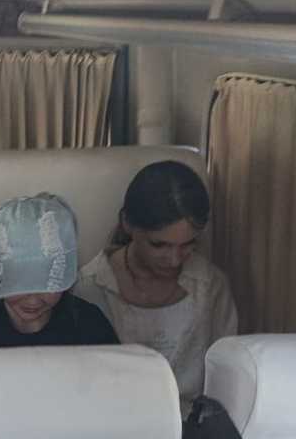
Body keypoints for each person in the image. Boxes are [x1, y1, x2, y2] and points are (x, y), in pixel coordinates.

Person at [74, 161, 237, 406]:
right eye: (159, 245)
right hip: (111, 421)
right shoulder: (88, 290)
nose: (174, 260)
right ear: (127, 224)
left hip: (193, 423)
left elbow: (227, 377)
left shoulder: (210, 287)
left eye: (188, 244)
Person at [0, 195, 118, 349]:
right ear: (0, 271)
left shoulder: (90, 326)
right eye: (19, 282)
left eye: (47, 282)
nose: (33, 300)